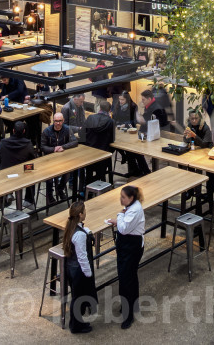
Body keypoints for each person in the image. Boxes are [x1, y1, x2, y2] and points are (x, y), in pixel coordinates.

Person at [105, 184, 145, 330]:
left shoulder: (134, 210)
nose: (121, 200)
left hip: (131, 247)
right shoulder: (133, 207)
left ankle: (128, 315)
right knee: (131, 277)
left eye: (123, 197)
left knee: (126, 280)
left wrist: (119, 216)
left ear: (131, 198)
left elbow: (123, 228)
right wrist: (121, 219)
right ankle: (132, 306)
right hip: (129, 246)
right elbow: (125, 225)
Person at [63, 201, 97, 334]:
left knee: (76, 297)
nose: (86, 212)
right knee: (78, 299)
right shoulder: (80, 235)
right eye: (85, 211)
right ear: (81, 214)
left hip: (71, 268)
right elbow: (82, 257)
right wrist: (88, 274)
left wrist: (87, 231)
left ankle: (76, 323)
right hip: (79, 271)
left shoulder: (71, 227)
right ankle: (76, 326)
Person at [184, 109, 214, 207]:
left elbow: (204, 144)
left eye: (196, 118)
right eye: (192, 119)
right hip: (197, 154)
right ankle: (191, 190)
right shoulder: (189, 126)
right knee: (187, 166)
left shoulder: (205, 127)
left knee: (208, 172)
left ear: (200, 118)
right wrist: (186, 136)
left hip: (209, 154)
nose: (194, 120)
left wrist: (194, 136)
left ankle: (208, 194)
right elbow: (186, 141)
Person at [0, 120, 37, 209]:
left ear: (13, 130)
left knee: (0, 166)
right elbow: (33, 159)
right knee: (32, 170)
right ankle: (28, 200)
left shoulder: (3, 142)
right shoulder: (28, 143)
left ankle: (8, 193)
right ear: (24, 131)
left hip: (5, 175)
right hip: (22, 175)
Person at [41, 112, 79, 202]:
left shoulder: (67, 129)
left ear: (63, 121)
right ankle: (49, 194)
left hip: (63, 159)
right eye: (56, 121)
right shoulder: (46, 131)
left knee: (67, 174)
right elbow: (42, 147)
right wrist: (54, 149)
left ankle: (60, 189)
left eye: (60, 121)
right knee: (49, 178)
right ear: (53, 121)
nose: (58, 123)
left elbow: (75, 142)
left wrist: (63, 147)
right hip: (49, 160)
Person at [82, 100, 116, 188]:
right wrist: (109, 153)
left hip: (89, 154)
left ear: (99, 108)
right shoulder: (111, 122)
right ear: (109, 110)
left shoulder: (90, 118)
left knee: (88, 173)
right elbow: (112, 140)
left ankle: (87, 191)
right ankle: (102, 186)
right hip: (102, 156)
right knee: (101, 172)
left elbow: (82, 133)